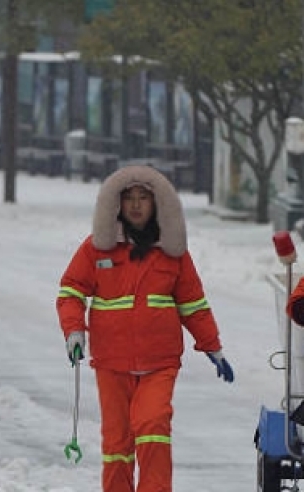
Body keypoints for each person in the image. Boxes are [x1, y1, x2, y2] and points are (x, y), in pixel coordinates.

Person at [55, 165, 233, 492]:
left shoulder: (173, 252)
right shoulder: (97, 248)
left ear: (157, 204)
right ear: (116, 205)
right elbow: (71, 292)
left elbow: (193, 303)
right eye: (129, 198)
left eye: (144, 198)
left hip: (159, 363)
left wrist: (212, 346)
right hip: (112, 363)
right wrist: (74, 331)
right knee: (117, 444)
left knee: (153, 427)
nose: (136, 205)